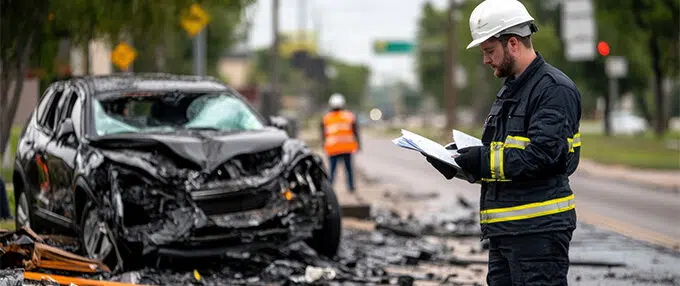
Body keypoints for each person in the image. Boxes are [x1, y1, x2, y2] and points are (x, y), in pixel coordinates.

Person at [424, 0, 582, 285]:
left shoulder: (553, 90)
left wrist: (480, 160)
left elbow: (543, 156)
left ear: (512, 43)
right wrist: (459, 164)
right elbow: (504, 160)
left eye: (489, 51)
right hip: (505, 231)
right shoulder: (511, 90)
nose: (485, 60)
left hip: (538, 234)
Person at [321, 93, 360, 192]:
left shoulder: (327, 118)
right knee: (348, 169)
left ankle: (330, 189)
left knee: (332, 171)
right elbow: (355, 132)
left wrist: (323, 145)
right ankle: (351, 187)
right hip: (346, 148)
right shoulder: (349, 116)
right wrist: (359, 144)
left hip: (333, 148)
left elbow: (323, 134)